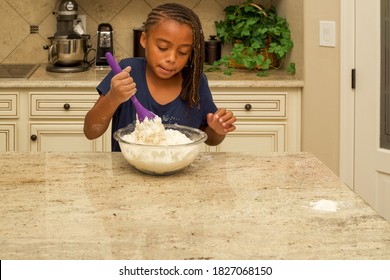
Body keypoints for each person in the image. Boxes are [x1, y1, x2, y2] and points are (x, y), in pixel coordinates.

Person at [84, 3, 236, 151]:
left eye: (183, 52)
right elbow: (91, 131)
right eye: (163, 47)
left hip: (179, 172)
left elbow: (210, 138)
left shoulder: (196, 82)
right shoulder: (127, 73)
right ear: (144, 39)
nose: (171, 58)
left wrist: (217, 130)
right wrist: (113, 98)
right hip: (126, 174)